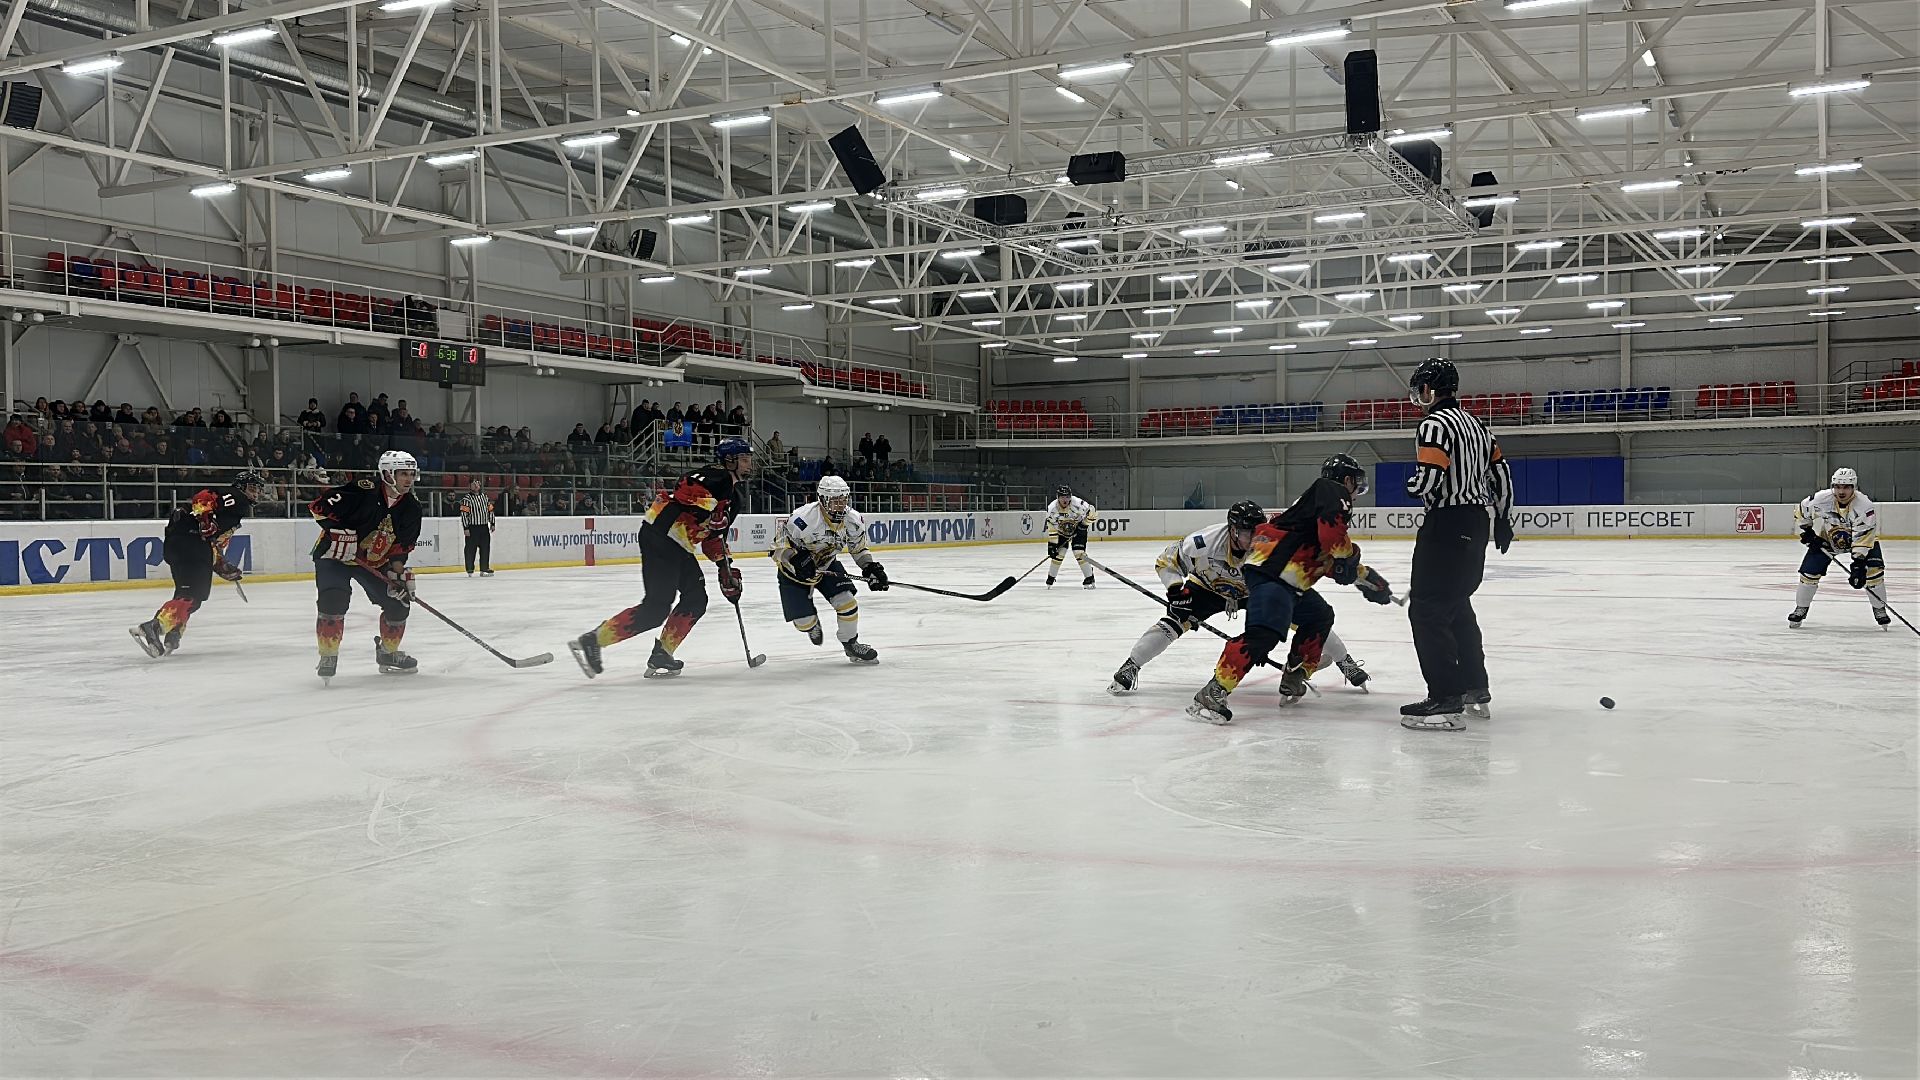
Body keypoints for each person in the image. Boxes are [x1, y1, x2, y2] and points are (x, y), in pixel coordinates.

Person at [1184, 458, 1393, 723]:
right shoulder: (1331, 490)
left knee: (1319, 616)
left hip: (1283, 576)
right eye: (1356, 481)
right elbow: (1335, 546)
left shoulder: (1315, 510)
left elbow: (1325, 554)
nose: (1357, 489)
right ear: (1347, 479)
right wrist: (1347, 561)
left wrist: (1366, 579)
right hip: (1274, 572)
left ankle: (1295, 673)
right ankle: (1213, 692)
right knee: (1262, 636)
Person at [1109, 501, 1376, 695]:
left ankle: (1346, 662)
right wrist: (1175, 589)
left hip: (1256, 588)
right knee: (1173, 621)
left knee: (1308, 616)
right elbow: (1167, 562)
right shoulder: (1202, 543)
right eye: (1248, 532)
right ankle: (1131, 666)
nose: (1254, 537)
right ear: (1233, 530)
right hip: (1208, 588)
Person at [568, 437, 754, 679]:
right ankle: (593, 640)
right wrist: (710, 506)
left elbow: (713, 539)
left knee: (696, 599)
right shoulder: (713, 475)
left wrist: (725, 569)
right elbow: (684, 488)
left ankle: (662, 653)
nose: (750, 465)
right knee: (656, 608)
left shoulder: (735, 500)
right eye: (745, 459)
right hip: (661, 534)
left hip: (679, 545)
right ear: (729, 460)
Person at [1400, 357, 1514, 730]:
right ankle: (1473, 687)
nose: (1419, 395)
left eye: (1421, 388)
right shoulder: (1479, 426)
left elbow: (1430, 477)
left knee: (1428, 610)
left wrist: (1411, 486)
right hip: (1477, 522)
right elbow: (1501, 474)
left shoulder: (1434, 424)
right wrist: (1503, 518)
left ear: (1430, 388)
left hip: (1446, 523)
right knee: (1457, 606)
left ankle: (1445, 698)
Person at [309, 449, 424, 681]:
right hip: (335, 556)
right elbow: (318, 507)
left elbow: (401, 548)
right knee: (334, 598)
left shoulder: (412, 507)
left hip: (372, 561)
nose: (409, 479)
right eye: (404, 474)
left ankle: (388, 654)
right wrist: (341, 534)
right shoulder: (363, 490)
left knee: (398, 603)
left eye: (411, 474)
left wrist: (398, 576)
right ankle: (328, 654)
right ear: (388, 474)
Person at [128, 469, 265, 657]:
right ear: (241, 487)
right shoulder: (237, 497)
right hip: (190, 542)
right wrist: (205, 520)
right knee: (194, 593)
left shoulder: (235, 512)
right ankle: (154, 626)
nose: (255, 493)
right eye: (252, 488)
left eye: (258, 489)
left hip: (181, 544)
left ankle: (172, 632)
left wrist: (222, 567)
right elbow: (203, 497)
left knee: (191, 596)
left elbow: (213, 543)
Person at [770, 475, 888, 664]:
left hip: (827, 566)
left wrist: (870, 567)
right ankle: (811, 625)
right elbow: (777, 547)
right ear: (823, 500)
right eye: (835, 500)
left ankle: (851, 644)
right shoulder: (803, 519)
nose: (840, 505)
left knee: (848, 603)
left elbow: (858, 549)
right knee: (803, 622)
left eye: (843, 499)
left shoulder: (853, 520)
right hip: (793, 573)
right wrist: (794, 558)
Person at [1791, 466, 1889, 628]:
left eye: (1846, 487)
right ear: (1832, 487)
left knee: (1874, 573)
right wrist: (1807, 532)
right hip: (1829, 540)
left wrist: (1858, 563)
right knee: (1809, 572)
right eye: (1837, 486)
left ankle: (1880, 609)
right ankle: (1801, 608)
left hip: (1862, 542)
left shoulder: (1864, 506)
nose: (1841, 491)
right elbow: (1802, 511)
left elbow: (1863, 536)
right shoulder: (1821, 499)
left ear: (1854, 488)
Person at [1043, 485, 1097, 588]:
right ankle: (1051, 577)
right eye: (1062, 497)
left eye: (1067, 497)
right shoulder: (1052, 509)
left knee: (1079, 552)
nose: (1065, 499)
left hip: (1079, 530)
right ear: (1057, 497)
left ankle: (1089, 577)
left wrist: (1083, 525)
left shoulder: (1078, 504)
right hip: (1061, 532)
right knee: (1058, 554)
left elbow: (1093, 512)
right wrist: (1052, 545)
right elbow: (1052, 527)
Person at [459, 478, 496, 577]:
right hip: (472, 527)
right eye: (473, 484)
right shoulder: (466, 499)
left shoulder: (485, 497)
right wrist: (466, 528)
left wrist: (492, 523)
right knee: (470, 549)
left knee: (485, 548)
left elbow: (490, 510)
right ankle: (470, 569)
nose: (475, 485)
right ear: (470, 486)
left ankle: (484, 568)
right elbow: (464, 514)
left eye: (477, 483)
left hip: (484, 527)